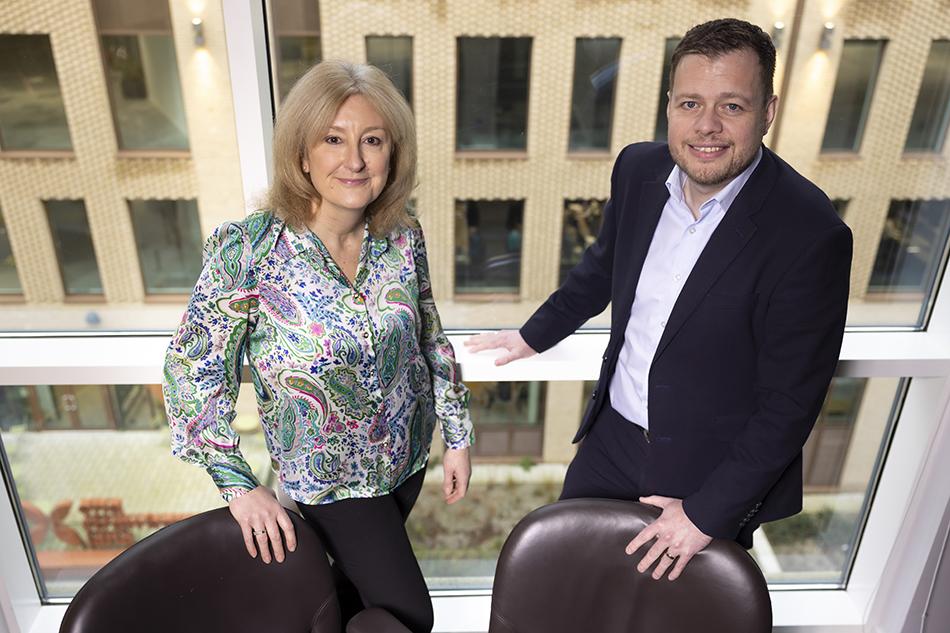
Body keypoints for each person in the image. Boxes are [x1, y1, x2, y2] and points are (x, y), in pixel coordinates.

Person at [466, 18, 852, 581]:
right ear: (669, 104)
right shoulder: (639, 169)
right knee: (567, 584)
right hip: (611, 440)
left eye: (733, 107)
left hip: (707, 472)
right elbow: (602, 268)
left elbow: (789, 406)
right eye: (690, 103)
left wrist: (704, 515)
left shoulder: (811, 234)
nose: (707, 127)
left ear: (767, 111)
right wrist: (532, 335)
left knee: (661, 615)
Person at [163, 60, 473, 633]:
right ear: (302, 154)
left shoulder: (403, 235)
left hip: (404, 460)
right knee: (410, 614)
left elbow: (429, 333)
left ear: (392, 155)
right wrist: (238, 485)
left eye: (372, 141)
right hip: (327, 481)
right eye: (333, 139)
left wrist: (457, 435)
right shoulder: (248, 250)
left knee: (352, 601)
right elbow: (193, 371)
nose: (354, 160)